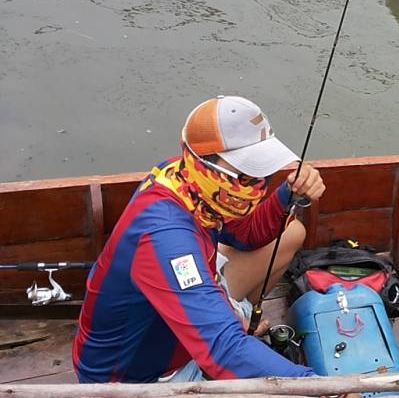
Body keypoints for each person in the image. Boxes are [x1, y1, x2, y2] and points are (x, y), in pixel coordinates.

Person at [73, 96, 325, 383]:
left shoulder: (187, 181)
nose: (258, 184)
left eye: (263, 173)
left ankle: (226, 319)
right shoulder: (165, 237)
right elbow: (224, 351)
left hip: (184, 314)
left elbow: (246, 235)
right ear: (205, 165)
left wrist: (288, 195)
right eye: (246, 174)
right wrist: (323, 389)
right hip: (139, 380)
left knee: (291, 233)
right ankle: (224, 325)